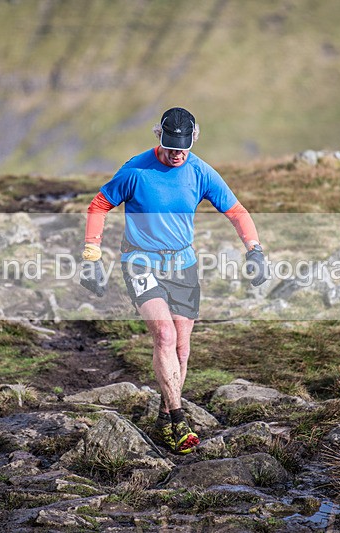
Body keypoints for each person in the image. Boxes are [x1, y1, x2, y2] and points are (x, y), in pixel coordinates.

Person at [80, 107, 268, 453]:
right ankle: (180, 421)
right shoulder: (135, 170)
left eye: (183, 148)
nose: (176, 154)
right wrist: (92, 256)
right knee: (164, 336)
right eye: (170, 147)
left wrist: (254, 250)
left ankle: (164, 418)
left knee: (181, 346)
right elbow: (98, 205)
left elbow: (236, 212)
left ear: (194, 139)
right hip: (139, 262)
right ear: (159, 138)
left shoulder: (200, 171)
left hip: (183, 265)